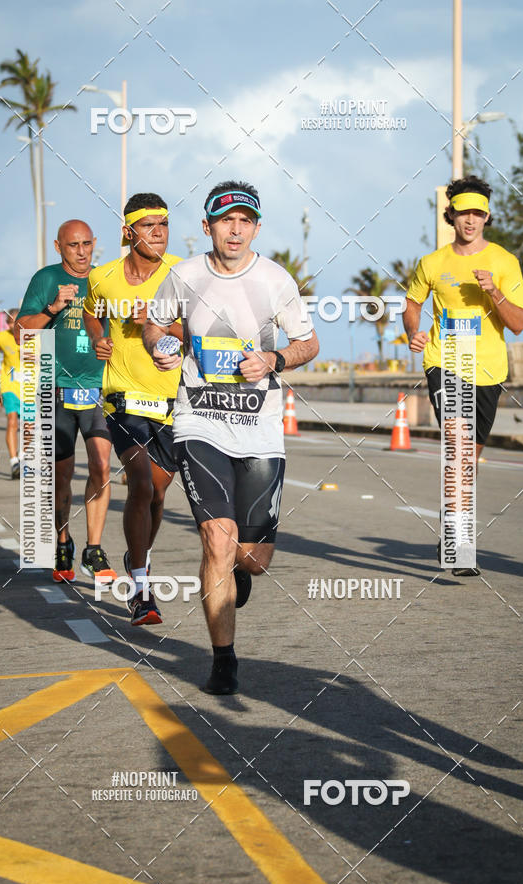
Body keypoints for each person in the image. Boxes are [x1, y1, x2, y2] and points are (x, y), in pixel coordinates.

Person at [143, 180, 319, 694]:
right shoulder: (184, 275)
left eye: (245, 221)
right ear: (208, 227)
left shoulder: (275, 279)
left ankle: (239, 570)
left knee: (252, 559)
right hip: (198, 422)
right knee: (216, 540)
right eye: (226, 220)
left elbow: (308, 342)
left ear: (256, 228)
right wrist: (160, 348)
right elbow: (154, 325)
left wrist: (274, 358)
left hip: (260, 429)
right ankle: (224, 659)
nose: (235, 230)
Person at [403, 175, 523, 576]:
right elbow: (412, 304)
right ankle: (459, 543)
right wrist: (413, 332)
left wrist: (494, 291)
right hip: (445, 362)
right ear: (451, 215)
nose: (470, 220)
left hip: (488, 369)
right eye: (463, 212)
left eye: (478, 213)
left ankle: (451, 526)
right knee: (458, 449)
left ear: (487, 217)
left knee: (468, 459)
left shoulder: (504, 262)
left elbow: (518, 324)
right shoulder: (432, 263)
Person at [82, 193, 182, 626]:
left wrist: (161, 324)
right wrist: (98, 338)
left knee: (157, 493)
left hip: (172, 400)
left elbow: (202, 329)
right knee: (139, 484)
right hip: (121, 397)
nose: (158, 233)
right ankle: (141, 591)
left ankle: (136, 554)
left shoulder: (183, 274)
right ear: (128, 232)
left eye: (164, 224)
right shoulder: (102, 277)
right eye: (148, 225)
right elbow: (91, 313)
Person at [15, 220, 116, 584]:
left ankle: (94, 548)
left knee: (101, 465)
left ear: (94, 243)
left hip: (98, 390)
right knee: (62, 477)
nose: (82, 251)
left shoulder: (106, 279)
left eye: (87, 243)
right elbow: (21, 333)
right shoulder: (46, 278)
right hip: (55, 390)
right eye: (73, 245)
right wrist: (53, 308)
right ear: (59, 246)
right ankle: (62, 541)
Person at [0, 310, 22, 479]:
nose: (11, 325)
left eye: (14, 322)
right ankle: (14, 461)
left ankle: (22, 456)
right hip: (9, 385)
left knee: (30, 426)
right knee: (12, 420)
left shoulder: (35, 336)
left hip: (30, 388)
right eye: (9, 322)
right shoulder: (2, 337)